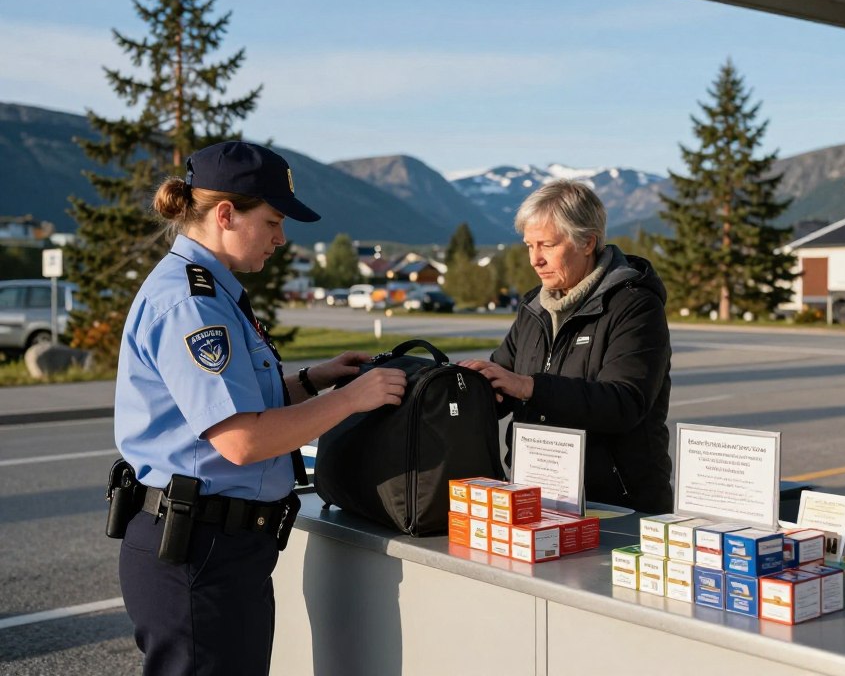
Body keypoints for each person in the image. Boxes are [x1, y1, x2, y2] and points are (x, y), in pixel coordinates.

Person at [111, 140, 406, 676]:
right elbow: (242, 441)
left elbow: (232, 409)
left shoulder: (215, 294)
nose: (281, 237)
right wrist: (353, 399)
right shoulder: (192, 303)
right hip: (198, 551)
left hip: (214, 545)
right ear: (226, 214)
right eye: (272, 221)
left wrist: (314, 381)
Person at [459, 179, 672, 514]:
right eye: (529, 246)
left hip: (617, 504)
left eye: (547, 245)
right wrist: (458, 386)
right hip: (540, 495)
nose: (535, 260)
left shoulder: (635, 305)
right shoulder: (534, 307)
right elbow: (501, 382)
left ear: (588, 242)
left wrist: (530, 387)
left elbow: (625, 402)